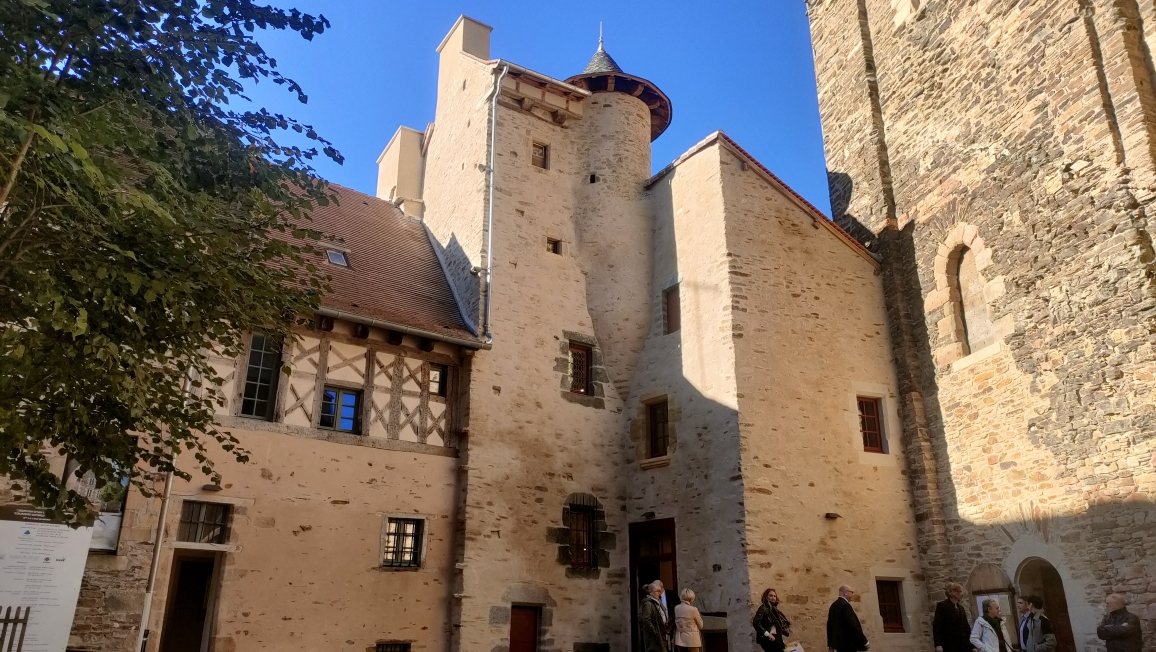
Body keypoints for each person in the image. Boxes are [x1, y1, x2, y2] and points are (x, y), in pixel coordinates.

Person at [827, 585, 869, 652]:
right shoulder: (845, 605)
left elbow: (829, 626)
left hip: (838, 646)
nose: (853, 594)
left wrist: (830, 644)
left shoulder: (833, 605)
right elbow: (853, 625)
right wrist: (864, 641)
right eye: (852, 592)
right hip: (848, 645)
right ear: (846, 592)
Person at [933, 582, 973, 652]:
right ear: (953, 592)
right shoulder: (943, 606)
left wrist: (972, 646)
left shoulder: (961, 608)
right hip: (949, 644)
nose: (962, 594)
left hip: (963, 645)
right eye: (960, 592)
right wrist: (938, 644)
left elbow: (966, 628)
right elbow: (937, 626)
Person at [753, 588, 792, 652]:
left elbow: (777, 625)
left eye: (774, 596)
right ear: (766, 597)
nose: (773, 598)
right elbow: (756, 623)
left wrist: (780, 638)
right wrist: (768, 634)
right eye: (771, 596)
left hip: (776, 637)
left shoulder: (773, 610)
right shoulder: (763, 609)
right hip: (769, 638)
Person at [640, 581, 671, 652]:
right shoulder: (648, 603)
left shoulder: (658, 601)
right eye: (657, 591)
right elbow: (646, 620)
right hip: (655, 637)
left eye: (660, 591)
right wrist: (655, 632)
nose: (659, 593)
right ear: (651, 592)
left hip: (661, 633)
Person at [673, 588, 704, 652]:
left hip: (680, 639)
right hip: (692, 639)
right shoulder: (693, 609)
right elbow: (700, 625)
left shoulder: (676, 608)